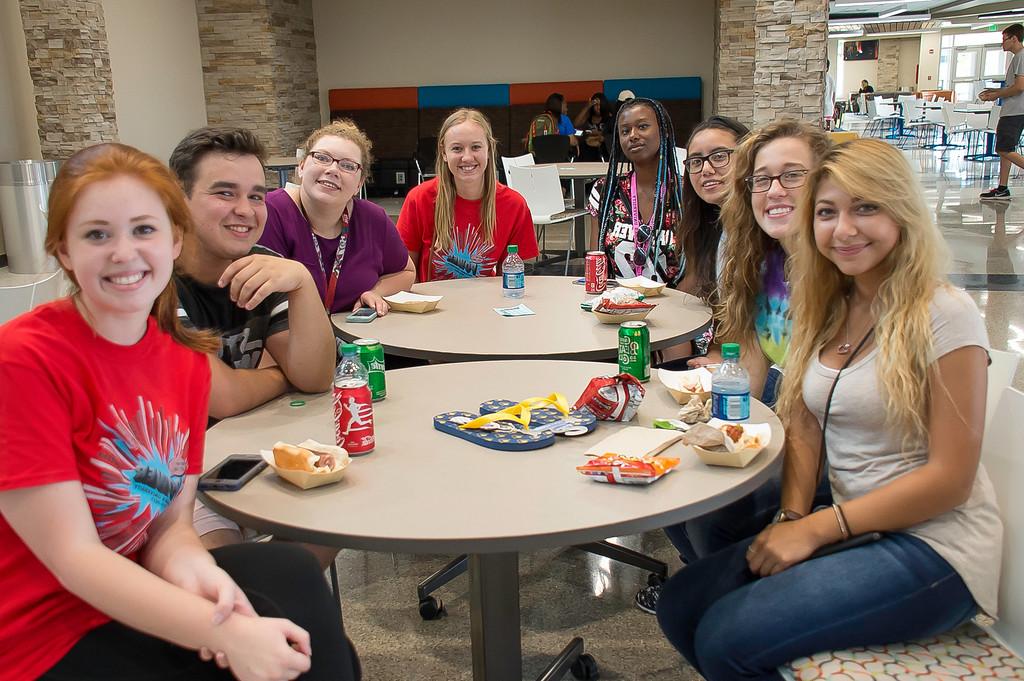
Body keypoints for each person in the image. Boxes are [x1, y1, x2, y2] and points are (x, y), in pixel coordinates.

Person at [0, 142, 360, 681]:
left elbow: (169, 527)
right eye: (97, 234)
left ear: (173, 240)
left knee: (292, 584)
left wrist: (206, 585)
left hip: (139, 585)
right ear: (64, 251)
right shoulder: (23, 361)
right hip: (46, 633)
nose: (125, 252)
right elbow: (72, 558)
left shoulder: (182, 364)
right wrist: (219, 630)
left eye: (144, 230)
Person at [657, 138, 1001, 680]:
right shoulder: (829, 304)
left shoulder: (943, 312)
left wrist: (816, 529)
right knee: (680, 605)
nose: (844, 229)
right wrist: (792, 517)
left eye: (866, 207)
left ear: (902, 210)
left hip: (935, 548)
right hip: (854, 530)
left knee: (728, 638)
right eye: (826, 212)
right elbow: (803, 421)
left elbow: (951, 480)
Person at [635, 120, 831, 615]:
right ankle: (720, 586)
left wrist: (795, 513)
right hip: (793, 421)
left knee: (708, 515)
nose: (774, 191)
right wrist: (718, 418)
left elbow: (819, 403)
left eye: (792, 176)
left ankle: (743, 599)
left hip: (840, 446)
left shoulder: (840, 266)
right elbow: (752, 358)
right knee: (669, 473)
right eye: (762, 180)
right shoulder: (760, 259)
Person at [169, 127, 336, 553]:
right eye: (224, 193)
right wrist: (280, 376)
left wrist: (302, 282)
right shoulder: (156, 280)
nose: (245, 210)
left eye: (257, 196)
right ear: (178, 201)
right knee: (231, 576)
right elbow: (218, 396)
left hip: (247, 456)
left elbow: (316, 376)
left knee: (339, 520)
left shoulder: (266, 267)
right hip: (168, 476)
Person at [260, 120, 415, 315]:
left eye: (348, 166)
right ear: (301, 166)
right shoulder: (269, 213)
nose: (332, 170)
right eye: (322, 158)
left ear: (359, 183)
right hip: (286, 341)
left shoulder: (373, 219)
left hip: (355, 340)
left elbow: (406, 272)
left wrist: (376, 292)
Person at [398, 108, 538, 282]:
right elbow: (403, 271)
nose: (467, 157)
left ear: (489, 149)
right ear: (444, 153)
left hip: (487, 304)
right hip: (432, 305)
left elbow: (518, 276)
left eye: (476, 147)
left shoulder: (514, 204)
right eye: (457, 148)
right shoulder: (419, 199)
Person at [588, 97, 686, 286]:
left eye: (642, 127)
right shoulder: (605, 190)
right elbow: (597, 262)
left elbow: (698, 271)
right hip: (618, 306)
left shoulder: (686, 193)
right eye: (625, 131)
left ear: (663, 132)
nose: (632, 135)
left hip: (676, 306)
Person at [675, 115, 750, 301]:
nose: (706, 169)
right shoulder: (711, 224)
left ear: (749, 157)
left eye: (719, 156)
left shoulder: (767, 229)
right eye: (696, 161)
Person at [979, 23, 1024, 200]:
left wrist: (995, 95)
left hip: (1015, 111)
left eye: (1004, 39)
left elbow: (1019, 87)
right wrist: (996, 92)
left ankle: (1003, 187)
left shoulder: (1021, 57)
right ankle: (1002, 187)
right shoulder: (1017, 58)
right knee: (1006, 148)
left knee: (1004, 149)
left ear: (1014, 38)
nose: (1002, 44)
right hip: (1013, 110)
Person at [574, 92, 613, 161]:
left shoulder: (608, 117)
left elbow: (610, 135)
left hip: (603, 146)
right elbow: (576, 124)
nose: (598, 107)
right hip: (587, 147)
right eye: (596, 105)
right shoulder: (588, 116)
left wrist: (596, 133)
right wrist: (588, 106)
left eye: (600, 105)